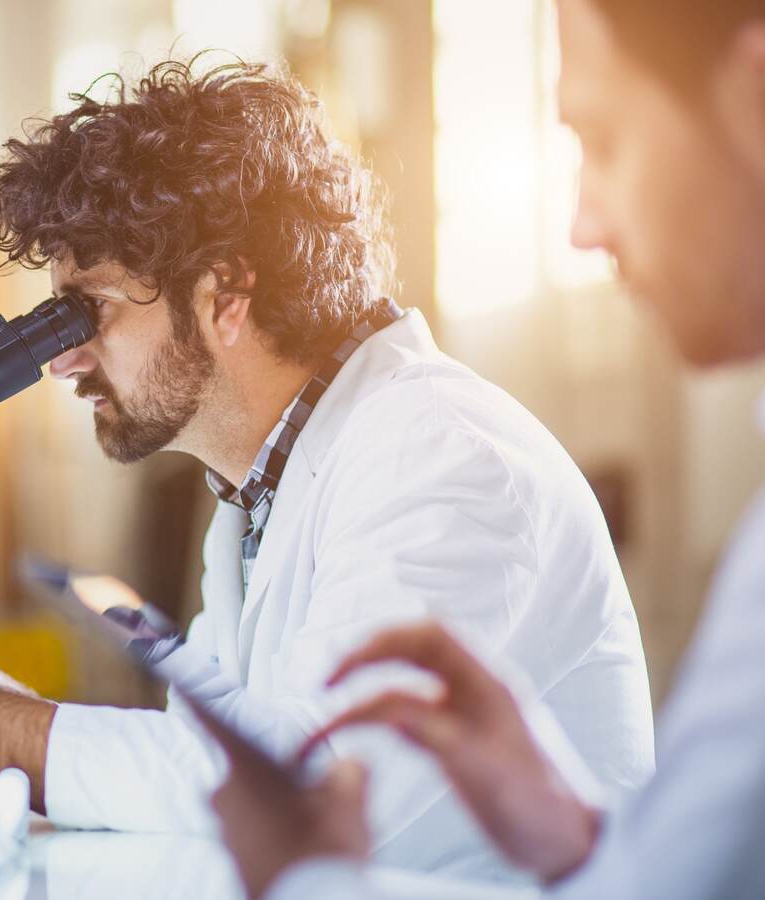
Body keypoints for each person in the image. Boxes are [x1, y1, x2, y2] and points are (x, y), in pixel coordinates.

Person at [0, 56, 654, 880]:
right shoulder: (262, 488)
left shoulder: (443, 459)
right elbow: (207, 768)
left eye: (86, 314)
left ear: (227, 290)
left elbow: (311, 787)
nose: (64, 360)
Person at [209, 2, 765, 898]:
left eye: (606, 140)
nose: (584, 225)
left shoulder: (441, 448)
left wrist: (303, 876)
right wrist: (567, 831)